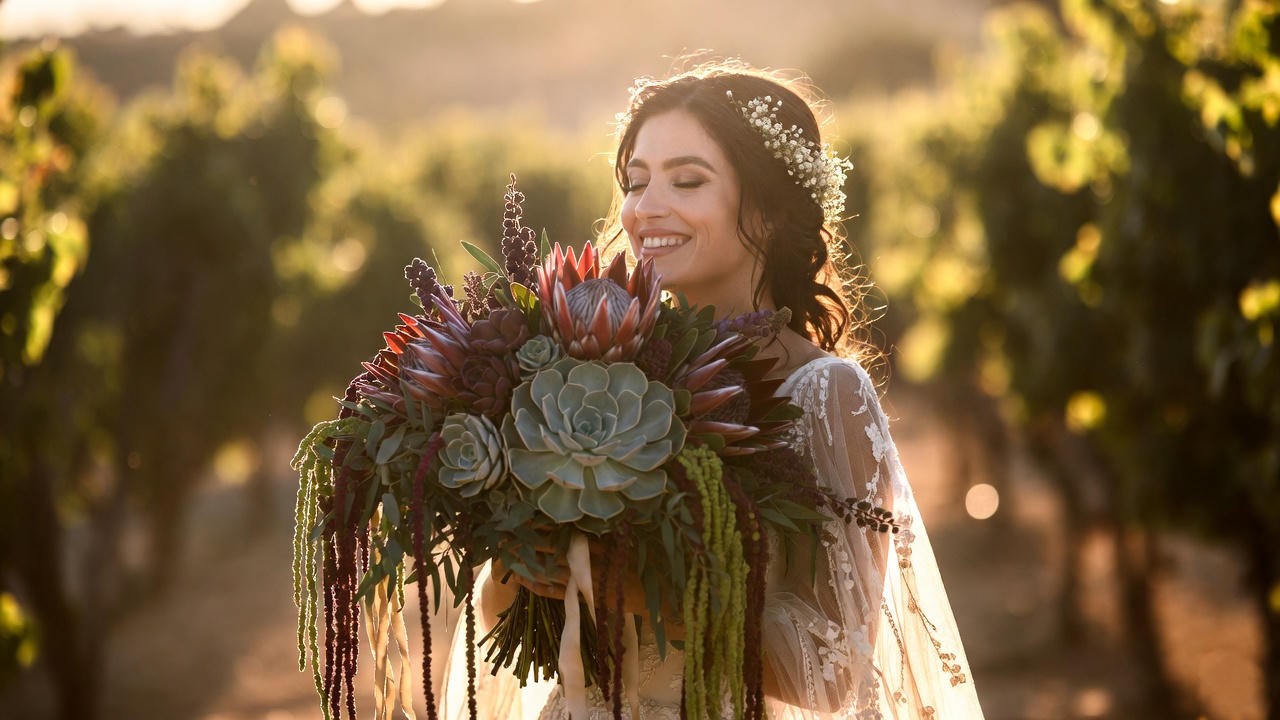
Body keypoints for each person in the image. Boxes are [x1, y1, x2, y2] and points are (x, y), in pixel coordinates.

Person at [457, 61, 985, 720]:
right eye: (635, 181)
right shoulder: (580, 373)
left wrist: (647, 597)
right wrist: (521, 561)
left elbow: (835, 671)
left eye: (687, 180)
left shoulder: (826, 394)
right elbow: (496, 613)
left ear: (767, 210)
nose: (646, 208)